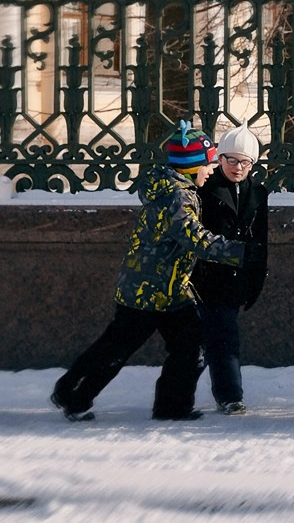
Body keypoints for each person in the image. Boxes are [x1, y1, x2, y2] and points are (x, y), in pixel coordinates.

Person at [51, 122, 253, 422]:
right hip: (149, 292)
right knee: (117, 349)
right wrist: (243, 253)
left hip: (165, 288)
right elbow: (195, 238)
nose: (211, 170)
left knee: (188, 343)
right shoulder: (177, 197)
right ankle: (72, 394)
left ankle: (171, 406)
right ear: (190, 168)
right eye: (208, 164)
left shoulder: (173, 187)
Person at [193, 122, 270, 414]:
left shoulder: (257, 193)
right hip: (208, 279)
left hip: (238, 280)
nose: (239, 167)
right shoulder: (206, 189)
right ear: (220, 159)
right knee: (222, 338)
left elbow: (260, 241)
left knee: (209, 342)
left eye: (246, 162)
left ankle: (178, 393)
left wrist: (256, 280)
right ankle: (229, 395)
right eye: (232, 160)